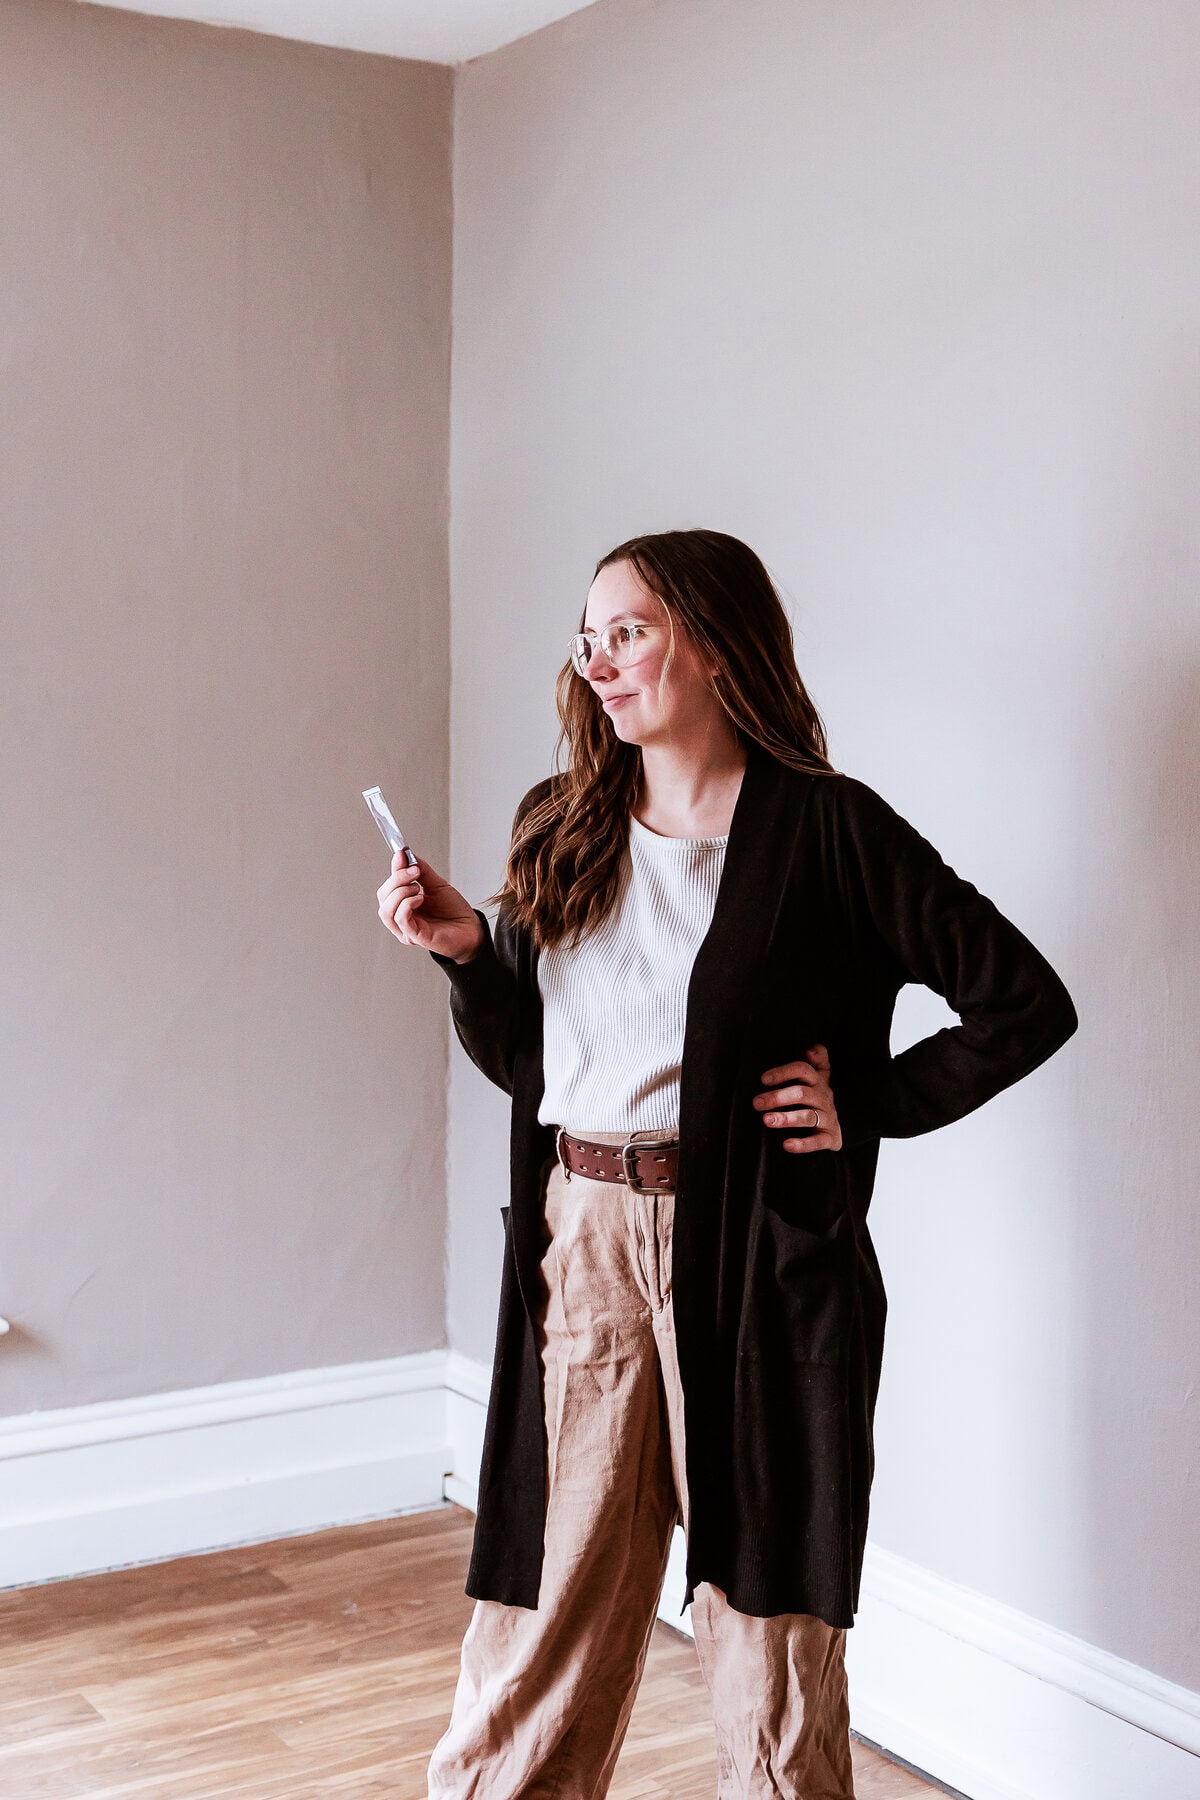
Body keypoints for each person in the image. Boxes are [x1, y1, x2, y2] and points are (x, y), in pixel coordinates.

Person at [376, 529, 1078, 1800]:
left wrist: (866, 1099)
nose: (599, 659)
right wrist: (472, 953)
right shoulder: (566, 823)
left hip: (757, 1250)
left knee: (767, 1620)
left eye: (629, 629)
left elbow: (1023, 1001)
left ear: (712, 637)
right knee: (549, 1596)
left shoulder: (830, 830)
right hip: (582, 1234)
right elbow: (530, 1060)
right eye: (588, 636)